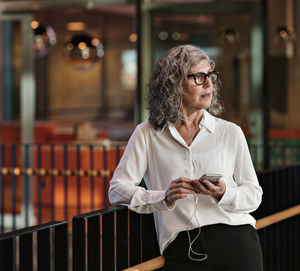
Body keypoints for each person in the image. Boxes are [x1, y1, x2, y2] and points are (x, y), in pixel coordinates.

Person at [108, 44, 263, 271]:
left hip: (237, 242)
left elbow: (254, 196)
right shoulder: (148, 133)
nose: (209, 83)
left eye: (210, 75)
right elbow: (117, 190)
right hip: (181, 249)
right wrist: (164, 196)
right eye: (199, 77)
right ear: (174, 84)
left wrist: (223, 192)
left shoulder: (230, 132)